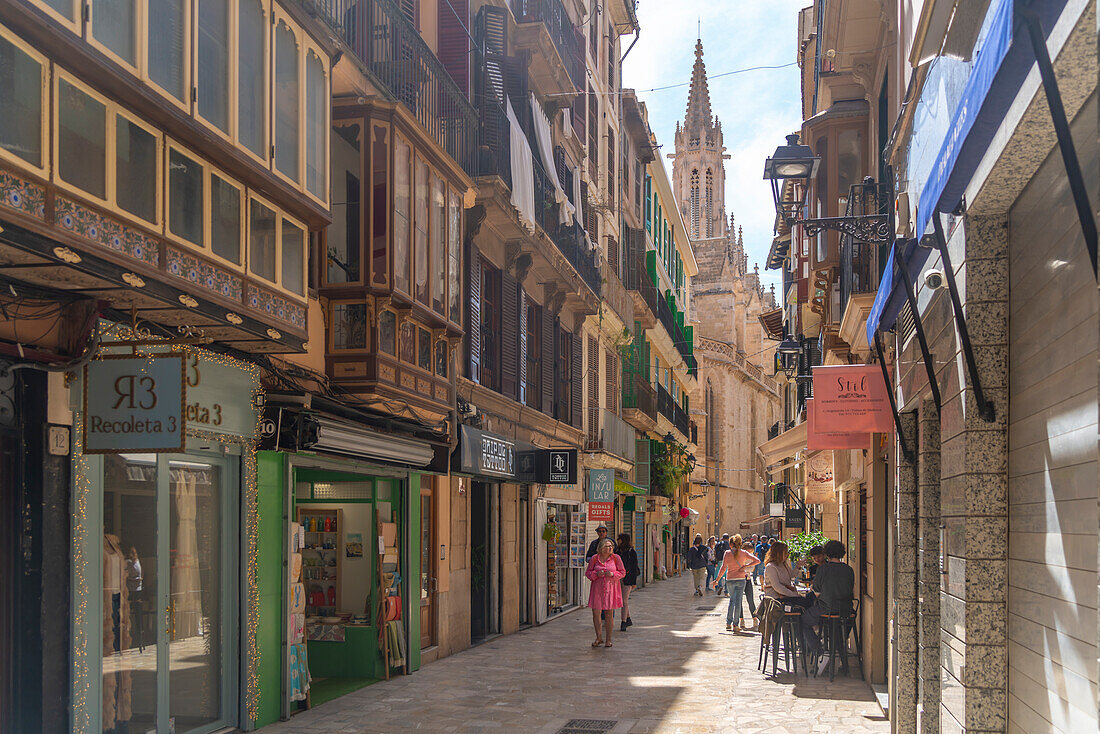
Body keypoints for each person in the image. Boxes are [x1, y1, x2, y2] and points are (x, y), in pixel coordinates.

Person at [801, 540, 855, 674]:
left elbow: (817, 592)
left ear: (826, 554)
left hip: (827, 608)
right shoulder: (848, 569)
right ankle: (838, 652)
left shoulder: (823, 569)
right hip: (846, 609)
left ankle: (820, 652)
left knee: (804, 621)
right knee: (836, 627)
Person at [585, 538, 625, 647]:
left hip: (611, 589)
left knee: (609, 614)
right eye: (607, 546)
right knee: (596, 613)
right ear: (601, 548)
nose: (610, 548)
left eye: (611, 546)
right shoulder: (594, 558)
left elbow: (622, 572)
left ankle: (608, 639)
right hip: (597, 590)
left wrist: (613, 575)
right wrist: (596, 574)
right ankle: (598, 637)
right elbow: (588, 573)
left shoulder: (616, 558)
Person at [713, 534, 759, 631]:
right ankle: (735, 624)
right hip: (741, 579)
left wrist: (717, 580)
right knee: (738, 602)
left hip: (730, 579)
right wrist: (745, 566)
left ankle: (728, 623)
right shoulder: (744, 553)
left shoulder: (727, 553)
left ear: (730, 544)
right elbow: (757, 560)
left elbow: (723, 568)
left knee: (732, 601)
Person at [762, 541, 812, 608]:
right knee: (805, 602)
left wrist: (798, 566)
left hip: (785, 596)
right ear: (779, 553)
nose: (787, 554)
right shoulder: (771, 567)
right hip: (777, 598)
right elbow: (777, 586)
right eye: (785, 552)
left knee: (809, 599)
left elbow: (791, 576)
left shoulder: (783, 564)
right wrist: (793, 595)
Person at [616, 533, 639, 632]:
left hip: (628, 579)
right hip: (618, 578)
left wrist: (634, 582)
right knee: (623, 600)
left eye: (619, 539)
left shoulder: (631, 552)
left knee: (624, 601)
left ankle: (623, 622)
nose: (618, 541)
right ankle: (628, 618)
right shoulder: (617, 551)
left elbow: (634, 567)